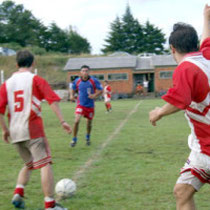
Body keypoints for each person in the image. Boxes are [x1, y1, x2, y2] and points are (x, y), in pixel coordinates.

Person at [149, 4, 210, 210]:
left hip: (207, 149)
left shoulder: (185, 68)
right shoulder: (206, 57)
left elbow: (180, 99)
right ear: (195, 44)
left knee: (182, 191)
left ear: (172, 49)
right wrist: (206, 18)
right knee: (182, 191)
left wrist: (158, 112)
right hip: (202, 148)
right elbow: (207, 40)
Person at [0, 50, 72, 210]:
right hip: (32, 129)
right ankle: (50, 205)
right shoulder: (36, 80)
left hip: (15, 131)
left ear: (16, 64)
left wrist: (5, 130)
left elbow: (0, 109)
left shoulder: (6, 84)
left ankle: (18, 192)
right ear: (33, 63)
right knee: (45, 163)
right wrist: (63, 121)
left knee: (30, 164)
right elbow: (52, 100)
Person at [69, 65, 103, 147]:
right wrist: (71, 95)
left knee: (89, 123)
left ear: (89, 72)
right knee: (76, 121)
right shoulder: (77, 81)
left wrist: (94, 95)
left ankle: (87, 137)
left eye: (86, 71)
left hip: (90, 106)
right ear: (80, 72)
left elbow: (101, 90)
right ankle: (74, 139)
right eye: (83, 71)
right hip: (80, 105)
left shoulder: (93, 81)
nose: (85, 72)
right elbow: (72, 88)